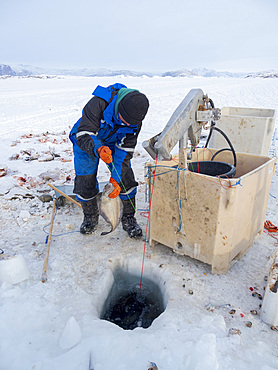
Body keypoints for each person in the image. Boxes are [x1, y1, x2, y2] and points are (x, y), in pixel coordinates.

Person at [69, 83, 149, 238]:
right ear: (119, 108)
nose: (127, 125)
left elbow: (125, 151)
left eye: (130, 124)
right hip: (86, 140)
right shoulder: (98, 103)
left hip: (114, 143)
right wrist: (98, 148)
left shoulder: (135, 120)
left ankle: (128, 217)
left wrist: (115, 178)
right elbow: (84, 133)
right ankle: (90, 216)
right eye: (123, 120)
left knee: (124, 177)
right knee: (85, 180)